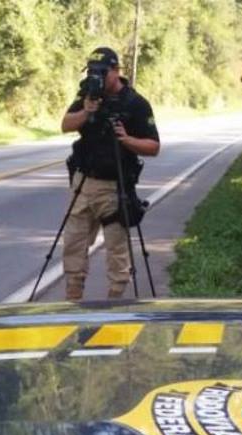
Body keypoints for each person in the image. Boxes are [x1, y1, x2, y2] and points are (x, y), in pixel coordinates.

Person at [60, 47, 160, 301]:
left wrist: (126, 140)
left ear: (116, 71)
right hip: (83, 182)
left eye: (102, 72)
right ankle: (72, 303)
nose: (97, 77)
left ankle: (115, 305)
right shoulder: (88, 96)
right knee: (73, 245)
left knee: (117, 251)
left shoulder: (135, 103)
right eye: (93, 72)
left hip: (114, 187)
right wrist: (87, 111)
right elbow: (65, 125)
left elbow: (153, 147)